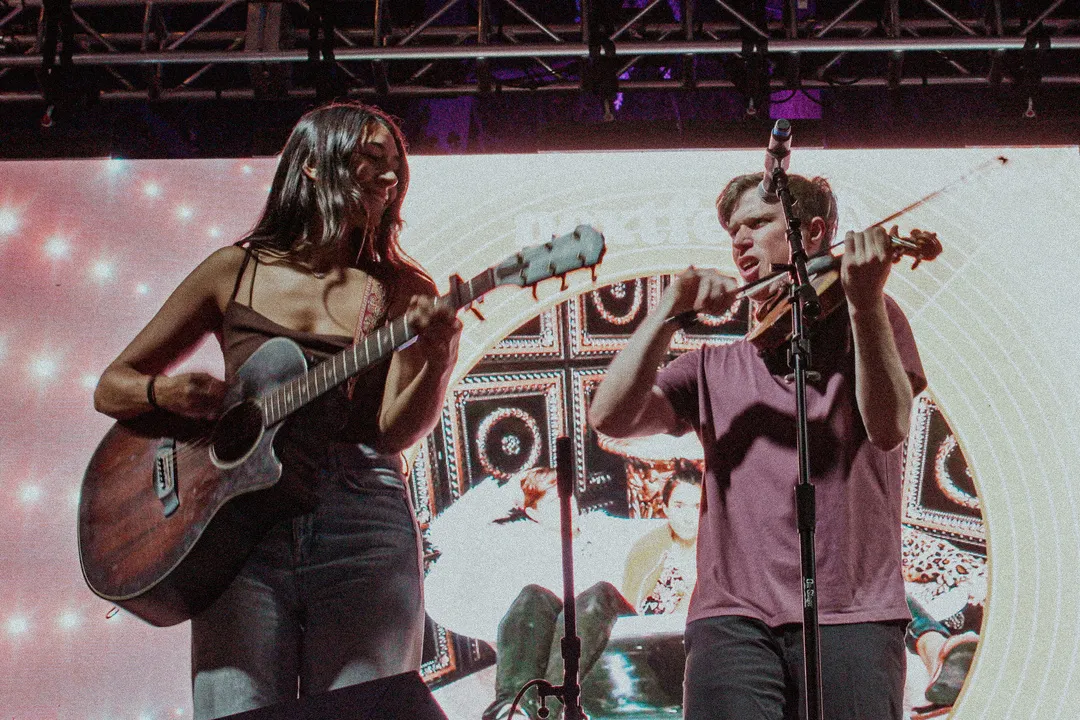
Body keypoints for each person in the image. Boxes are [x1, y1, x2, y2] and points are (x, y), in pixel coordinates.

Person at [92, 102, 462, 719]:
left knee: (364, 712)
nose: (389, 177)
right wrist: (172, 393)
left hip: (362, 522)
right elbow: (113, 386)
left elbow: (394, 431)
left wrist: (438, 355)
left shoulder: (402, 291)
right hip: (237, 527)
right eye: (371, 158)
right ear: (313, 164)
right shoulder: (231, 272)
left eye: (395, 167)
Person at [589, 171, 927, 720]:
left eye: (758, 223)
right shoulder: (714, 367)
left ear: (813, 232)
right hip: (732, 620)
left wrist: (866, 305)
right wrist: (668, 312)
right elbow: (610, 416)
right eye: (733, 231)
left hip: (853, 613)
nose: (740, 241)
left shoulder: (874, 324)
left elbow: (888, 427)